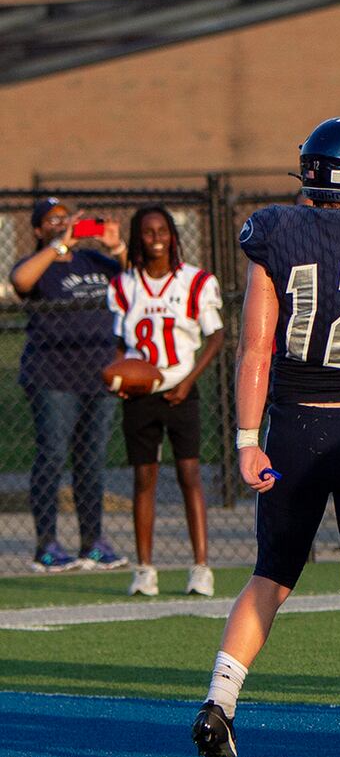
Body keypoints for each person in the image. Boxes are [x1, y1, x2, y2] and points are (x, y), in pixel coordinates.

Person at [191, 117, 340, 757]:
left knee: (271, 575)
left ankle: (220, 703)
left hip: (295, 425)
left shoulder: (277, 230)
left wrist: (247, 438)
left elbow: (255, 351)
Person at [110, 205, 224, 598]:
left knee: (190, 474)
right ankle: (144, 568)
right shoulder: (124, 284)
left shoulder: (195, 281)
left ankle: (201, 566)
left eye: (162, 230)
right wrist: (123, 377)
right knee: (143, 479)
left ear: (173, 236)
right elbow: (119, 343)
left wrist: (188, 380)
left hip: (181, 388)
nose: (156, 237)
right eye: (147, 231)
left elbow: (216, 337)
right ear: (138, 236)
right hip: (142, 395)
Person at [10, 197, 128, 573]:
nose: (62, 223)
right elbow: (20, 282)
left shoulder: (93, 262)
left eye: (67, 218)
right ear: (38, 229)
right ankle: (46, 546)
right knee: (53, 457)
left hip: (100, 373)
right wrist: (61, 245)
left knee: (91, 461)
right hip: (53, 376)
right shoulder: (38, 265)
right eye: (53, 219)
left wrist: (117, 247)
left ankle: (92, 542)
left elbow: (133, 281)